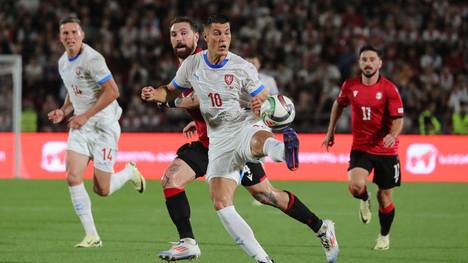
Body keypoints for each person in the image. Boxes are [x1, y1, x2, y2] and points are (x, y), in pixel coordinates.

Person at [141, 16, 338, 262]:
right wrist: (155, 94)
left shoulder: (240, 66)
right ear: (206, 36)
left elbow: (262, 96)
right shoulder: (191, 66)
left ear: (195, 36)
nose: (223, 38)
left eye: (227, 33)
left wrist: (260, 101)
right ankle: (267, 255)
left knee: (258, 155)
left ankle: (285, 152)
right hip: (214, 141)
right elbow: (173, 90)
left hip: (242, 126)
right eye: (217, 33)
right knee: (229, 199)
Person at [47, 16, 146, 248]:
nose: (70, 37)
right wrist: (63, 111)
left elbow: (113, 91)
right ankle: (92, 236)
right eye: (65, 33)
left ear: (82, 34)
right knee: (72, 177)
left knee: (102, 189)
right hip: (80, 127)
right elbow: (74, 92)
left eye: (74, 32)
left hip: (103, 127)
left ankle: (130, 172)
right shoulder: (63, 62)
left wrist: (85, 116)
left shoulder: (93, 59)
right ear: (60, 37)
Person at [323, 45, 404, 250]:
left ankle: (384, 236)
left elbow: (398, 119)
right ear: (359, 63)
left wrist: (392, 136)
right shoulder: (350, 85)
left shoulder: (389, 89)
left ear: (379, 63)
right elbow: (338, 104)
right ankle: (364, 198)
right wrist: (330, 131)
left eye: (371, 59)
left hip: (386, 150)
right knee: (355, 186)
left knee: (384, 197)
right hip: (361, 148)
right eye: (364, 60)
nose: (368, 63)